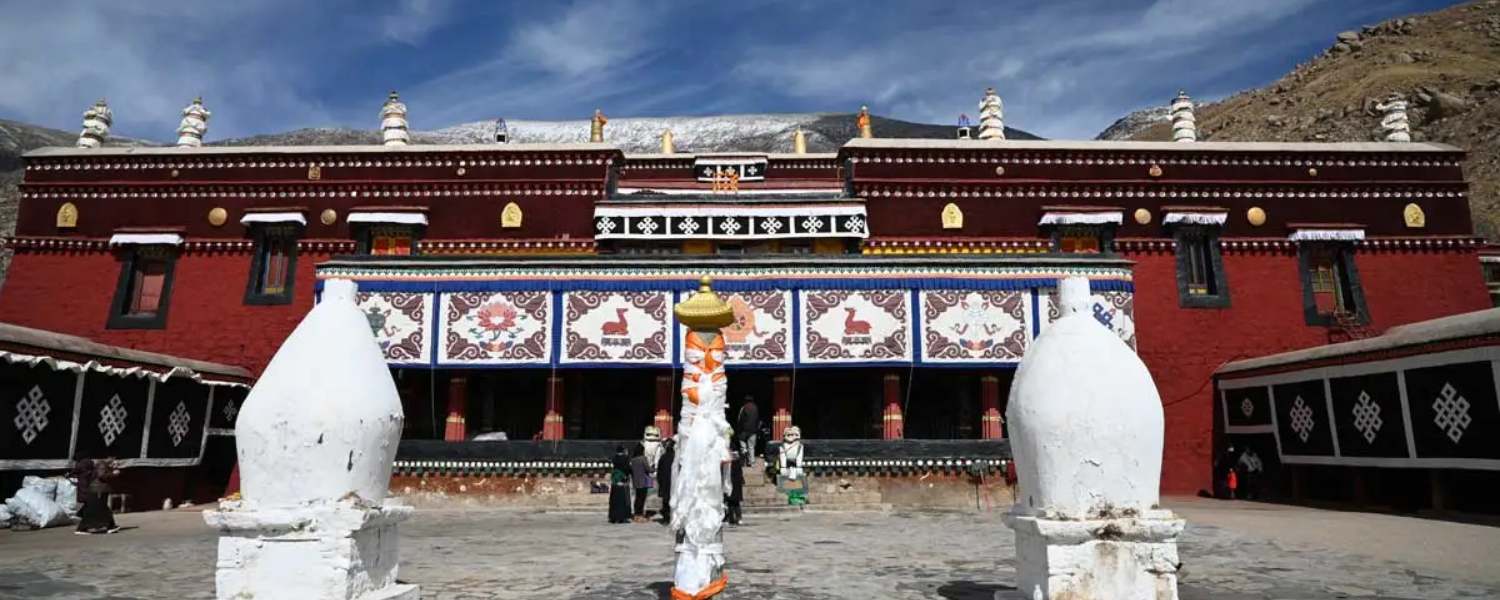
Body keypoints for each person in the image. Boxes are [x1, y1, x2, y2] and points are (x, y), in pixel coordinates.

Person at [70, 457, 120, 535]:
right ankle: (82, 528)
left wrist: (112, 469)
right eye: (115, 460)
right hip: (98, 490)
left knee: (101, 509)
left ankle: (111, 526)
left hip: (99, 490)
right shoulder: (102, 464)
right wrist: (113, 473)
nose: (116, 462)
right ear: (111, 459)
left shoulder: (103, 465)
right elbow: (101, 475)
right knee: (99, 509)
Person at [608, 446, 632, 524]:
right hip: (623, 479)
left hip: (615, 479)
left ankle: (613, 517)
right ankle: (622, 517)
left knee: (614, 499)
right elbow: (628, 468)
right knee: (623, 499)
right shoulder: (626, 458)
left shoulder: (614, 458)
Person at [630, 442, 652, 522]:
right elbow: (648, 469)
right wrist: (653, 469)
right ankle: (640, 514)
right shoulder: (643, 458)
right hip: (643, 481)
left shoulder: (633, 460)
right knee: (642, 498)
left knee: (637, 498)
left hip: (636, 482)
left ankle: (636, 514)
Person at [656, 438, 676, 523]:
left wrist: (659, 481)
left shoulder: (663, 457)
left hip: (664, 481)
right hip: (673, 481)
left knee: (665, 500)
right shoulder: (675, 458)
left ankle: (666, 518)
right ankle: (673, 517)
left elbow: (659, 471)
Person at [736, 397, 760, 466]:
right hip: (753, 431)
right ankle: (751, 463)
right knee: (751, 447)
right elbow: (757, 419)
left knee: (742, 443)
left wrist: (739, 429)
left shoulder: (743, 408)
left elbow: (739, 419)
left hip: (743, 430)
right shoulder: (756, 408)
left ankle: (743, 460)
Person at [724, 449, 744, 525]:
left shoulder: (735, 464)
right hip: (731, 484)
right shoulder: (730, 464)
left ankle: (736, 518)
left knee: (734, 503)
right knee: (731, 503)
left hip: (734, 484)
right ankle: (732, 518)